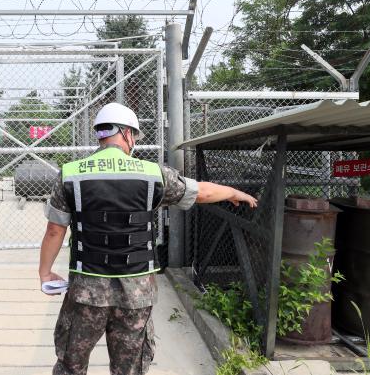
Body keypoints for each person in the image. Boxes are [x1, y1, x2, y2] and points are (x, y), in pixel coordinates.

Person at [39, 102, 258, 375]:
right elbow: (200, 192)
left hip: (86, 292)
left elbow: (54, 231)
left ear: (100, 134)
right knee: (129, 368)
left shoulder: (71, 174)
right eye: (134, 137)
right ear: (127, 133)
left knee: (71, 364)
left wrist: (46, 273)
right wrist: (235, 193)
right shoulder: (152, 173)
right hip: (136, 294)